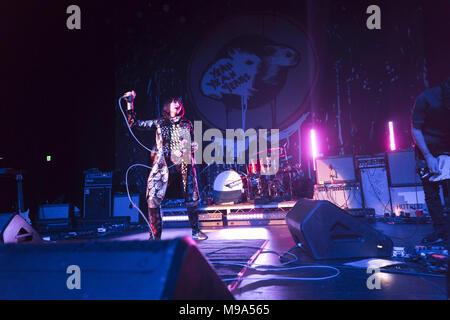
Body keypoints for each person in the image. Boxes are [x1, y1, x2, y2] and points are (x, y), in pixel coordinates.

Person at [125, 93, 208, 241]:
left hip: (183, 164)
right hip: (163, 165)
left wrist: (190, 147)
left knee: (191, 198)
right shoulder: (160, 122)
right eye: (173, 101)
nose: (177, 104)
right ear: (167, 106)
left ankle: (195, 230)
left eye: (179, 102)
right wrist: (130, 103)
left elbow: (195, 143)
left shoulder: (187, 124)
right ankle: (155, 236)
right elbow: (135, 123)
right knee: (153, 198)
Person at [411, 77, 450, 245]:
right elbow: (415, 128)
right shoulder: (426, 99)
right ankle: (440, 230)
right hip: (428, 148)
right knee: (432, 193)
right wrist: (428, 156)